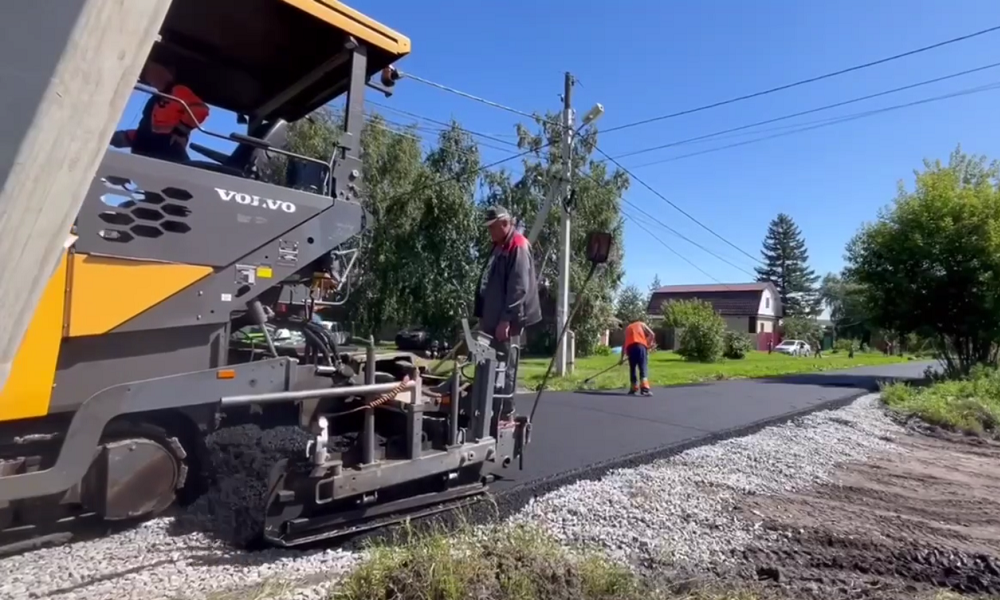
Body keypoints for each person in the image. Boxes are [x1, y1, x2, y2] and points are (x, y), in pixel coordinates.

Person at [110, 61, 209, 163]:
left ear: (168, 72)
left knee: (184, 174)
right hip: (142, 152)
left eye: (153, 69)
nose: (149, 74)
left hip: (167, 150)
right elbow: (148, 128)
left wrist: (181, 131)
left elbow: (200, 109)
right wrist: (124, 137)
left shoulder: (178, 90)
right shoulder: (154, 99)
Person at [474, 205, 542, 344]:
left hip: (505, 323)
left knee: (502, 364)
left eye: (492, 227)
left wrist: (506, 320)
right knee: (486, 363)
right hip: (491, 319)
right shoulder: (498, 246)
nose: (489, 231)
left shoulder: (518, 245)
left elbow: (518, 287)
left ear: (505, 223)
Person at [620, 320, 656, 396]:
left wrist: (621, 358)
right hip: (640, 346)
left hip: (630, 349)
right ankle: (645, 389)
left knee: (632, 369)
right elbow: (652, 334)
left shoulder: (628, 328)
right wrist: (649, 345)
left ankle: (633, 388)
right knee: (643, 367)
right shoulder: (641, 324)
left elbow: (624, 344)